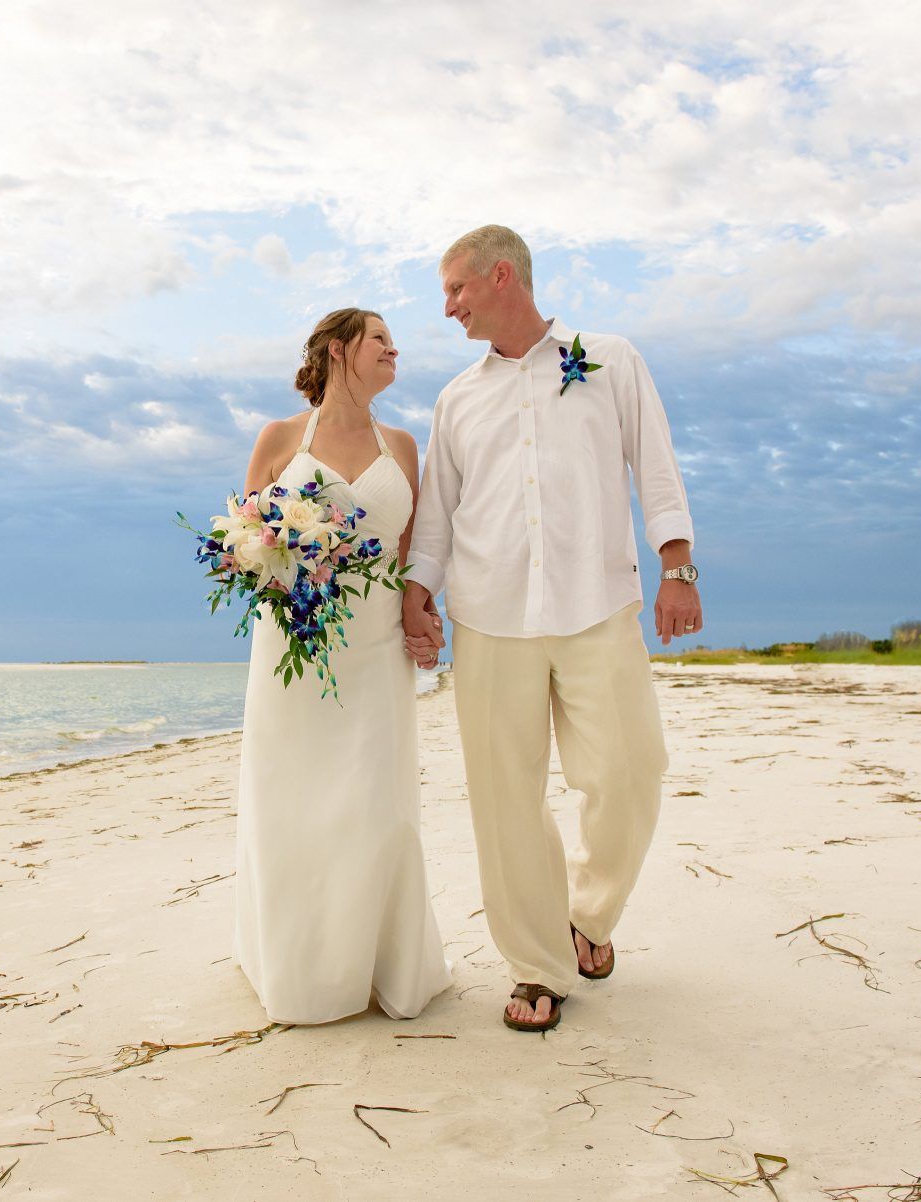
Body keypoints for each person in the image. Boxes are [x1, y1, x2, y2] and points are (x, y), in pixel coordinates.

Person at [402, 225, 702, 1033]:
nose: (448, 307)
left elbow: (656, 463)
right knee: (506, 800)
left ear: (503, 277)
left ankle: (588, 917)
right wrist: (415, 595)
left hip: (597, 603)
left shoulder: (609, 359)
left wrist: (677, 566)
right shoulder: (457, 397)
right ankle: (537, 967)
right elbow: (436, 519)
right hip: (491, 616)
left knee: (633, 772)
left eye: (456, 289)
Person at [231, 307, 452, 1024]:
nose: (395, 348)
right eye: (380, 339)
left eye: (395, 340)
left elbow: (410, 551)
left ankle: (378, 964)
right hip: (294, 648)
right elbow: (245, 541)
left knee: (376, 806)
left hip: (376, 650)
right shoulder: (280, 437)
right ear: (338, 350)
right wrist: (274, 564)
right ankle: (302, 970)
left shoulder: (403, 446)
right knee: (293, 803)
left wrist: (422, 613)